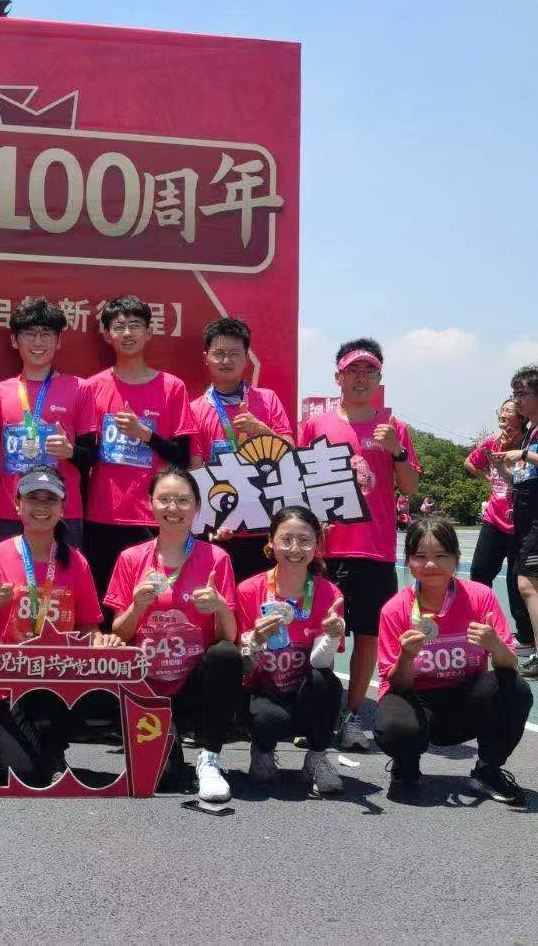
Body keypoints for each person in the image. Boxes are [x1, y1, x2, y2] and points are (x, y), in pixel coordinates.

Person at [0, 466, 120, 788]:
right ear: (17, 505)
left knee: (96, 679)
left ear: (63, 509)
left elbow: (88, 628)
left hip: (57, 677)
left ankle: (53, 748)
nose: (41, 506)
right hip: (5, 680)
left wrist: (103, 642)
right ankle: (34, 749)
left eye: (51, 499)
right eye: (33, 498)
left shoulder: (76, 561)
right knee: (24, 774)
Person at [298, 339, 420, 750]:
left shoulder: (394, 428)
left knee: (368, 637)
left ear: (379, 378)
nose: (361, 378)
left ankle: (350, 716)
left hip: (375, 550)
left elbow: (411, 486)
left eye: (369, 371)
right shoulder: (316, 425)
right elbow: (302, 483)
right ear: (339, 377)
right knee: (317, 634)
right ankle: (316, 712)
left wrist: (396, 451)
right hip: (326, 551)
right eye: (353, 370)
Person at [105, 467, 241, 802]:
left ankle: (210, 757)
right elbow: (119, 633)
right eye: (164, 499)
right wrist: (137, 607)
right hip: (146, 685)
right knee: (161, 779)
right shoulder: (130, 558)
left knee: (225, 655)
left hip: (194, 684)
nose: (173, 508)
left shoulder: (217, 558)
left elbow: (229, 637)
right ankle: (170, 741)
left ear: (197, 507)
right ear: (150, 503)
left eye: (182, 500)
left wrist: (220, 607)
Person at [373, 517, 532, 804]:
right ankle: (406, 766)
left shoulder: (480, 597)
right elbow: (396, 684)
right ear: (409, 560)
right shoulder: (395, 610)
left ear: (457, 558)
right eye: (420, 556)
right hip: (417, 700)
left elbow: (509, 665)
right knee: (394, 725)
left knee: (516, 689)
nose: (430, 565)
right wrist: (406, 657)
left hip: (465, 698)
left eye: (440, 556)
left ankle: (488, 769)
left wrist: (495, 644)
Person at [84, 295, 197, 598]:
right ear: (107, 335)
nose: (127, 333)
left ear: (148, 333)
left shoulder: (172, 387)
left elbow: (183, 457)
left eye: (135, 325)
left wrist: (145, 434)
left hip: (153, 516)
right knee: (106, 603)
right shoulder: (92, 387)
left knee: (153, 601)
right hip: (102, 516)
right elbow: (87, 455)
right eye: (119, 327)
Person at [236, 506, 346, 795]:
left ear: (317, 544)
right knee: (265, 718)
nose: (295, 549)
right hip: (264, 691)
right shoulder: (249, 590)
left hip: (304, 692)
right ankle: (262, 748)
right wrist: (255, 640)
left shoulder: (329, 593)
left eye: (304, 540)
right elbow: (243, 667)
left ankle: (316, 758)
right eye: (286, 540)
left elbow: (321, 663)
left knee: (326, 682)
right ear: (271, 541)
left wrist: (332, 636)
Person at [190, 316, 295, 582]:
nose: (226, 360)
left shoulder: (268, 400)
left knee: (264, 601)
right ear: (206, 358)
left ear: (246, 358)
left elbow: (292, 454)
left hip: (265, 527)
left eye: (234, 353)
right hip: (220, 528)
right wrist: (209, 521)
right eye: (219, 353)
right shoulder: (195, 409)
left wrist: (263, 431)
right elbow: (196, 471)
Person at [0, 298, 94, 549]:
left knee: (65, 576)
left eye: (46, 334)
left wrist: (70, 452)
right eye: (29, 334)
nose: (38, 342)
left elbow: (93, 456)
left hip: (62, 511)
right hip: (10, 510)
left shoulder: (80, 388)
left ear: (58, 341)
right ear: (14, 340)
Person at [465, 399, 534, 660]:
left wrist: (510, 466)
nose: (503, 415)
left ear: (521, 416)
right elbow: (470, 463)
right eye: (501, 411)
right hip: (493, 519)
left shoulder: (527, 443)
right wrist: (488, 477)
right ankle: (480, 627)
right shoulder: (492, 442)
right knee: (479, 573)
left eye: (508, 411)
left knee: (517, 583)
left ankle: (525, 638)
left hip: (520, 522)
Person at [494, 365, 538, 679]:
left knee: (527, 583)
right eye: (515, 393)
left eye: (524, 393)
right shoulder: (530, 431)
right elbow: (522, 477)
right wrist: (503, 468)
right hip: (525, 510)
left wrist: (521, 455)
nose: (518, 399)